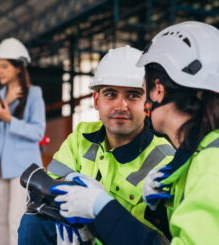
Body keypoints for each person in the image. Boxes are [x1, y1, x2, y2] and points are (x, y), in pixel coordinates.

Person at [51, 21, 219, 245]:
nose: (122, 106)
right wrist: (158, 211)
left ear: (158, 90)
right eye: (111, 94)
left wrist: (104, 211)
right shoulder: (198, 156)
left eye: (138, 91)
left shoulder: (211, 165)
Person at [18, 45, 175, 244]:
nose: (121, 106)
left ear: (148, 102)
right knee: (34, 220)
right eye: (110, 94)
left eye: (133, 95)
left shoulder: (166, 160)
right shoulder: (81, 136)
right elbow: (48, 193)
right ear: (96, 99)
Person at [0, 37, 46, 245]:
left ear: (18, 68)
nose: (0, 71)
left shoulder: (34, 94)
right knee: (0, 222)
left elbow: (37, 132)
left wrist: (9, 119)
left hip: (22, 168)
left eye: (4, 66)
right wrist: (4, 104)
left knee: (16, 220)